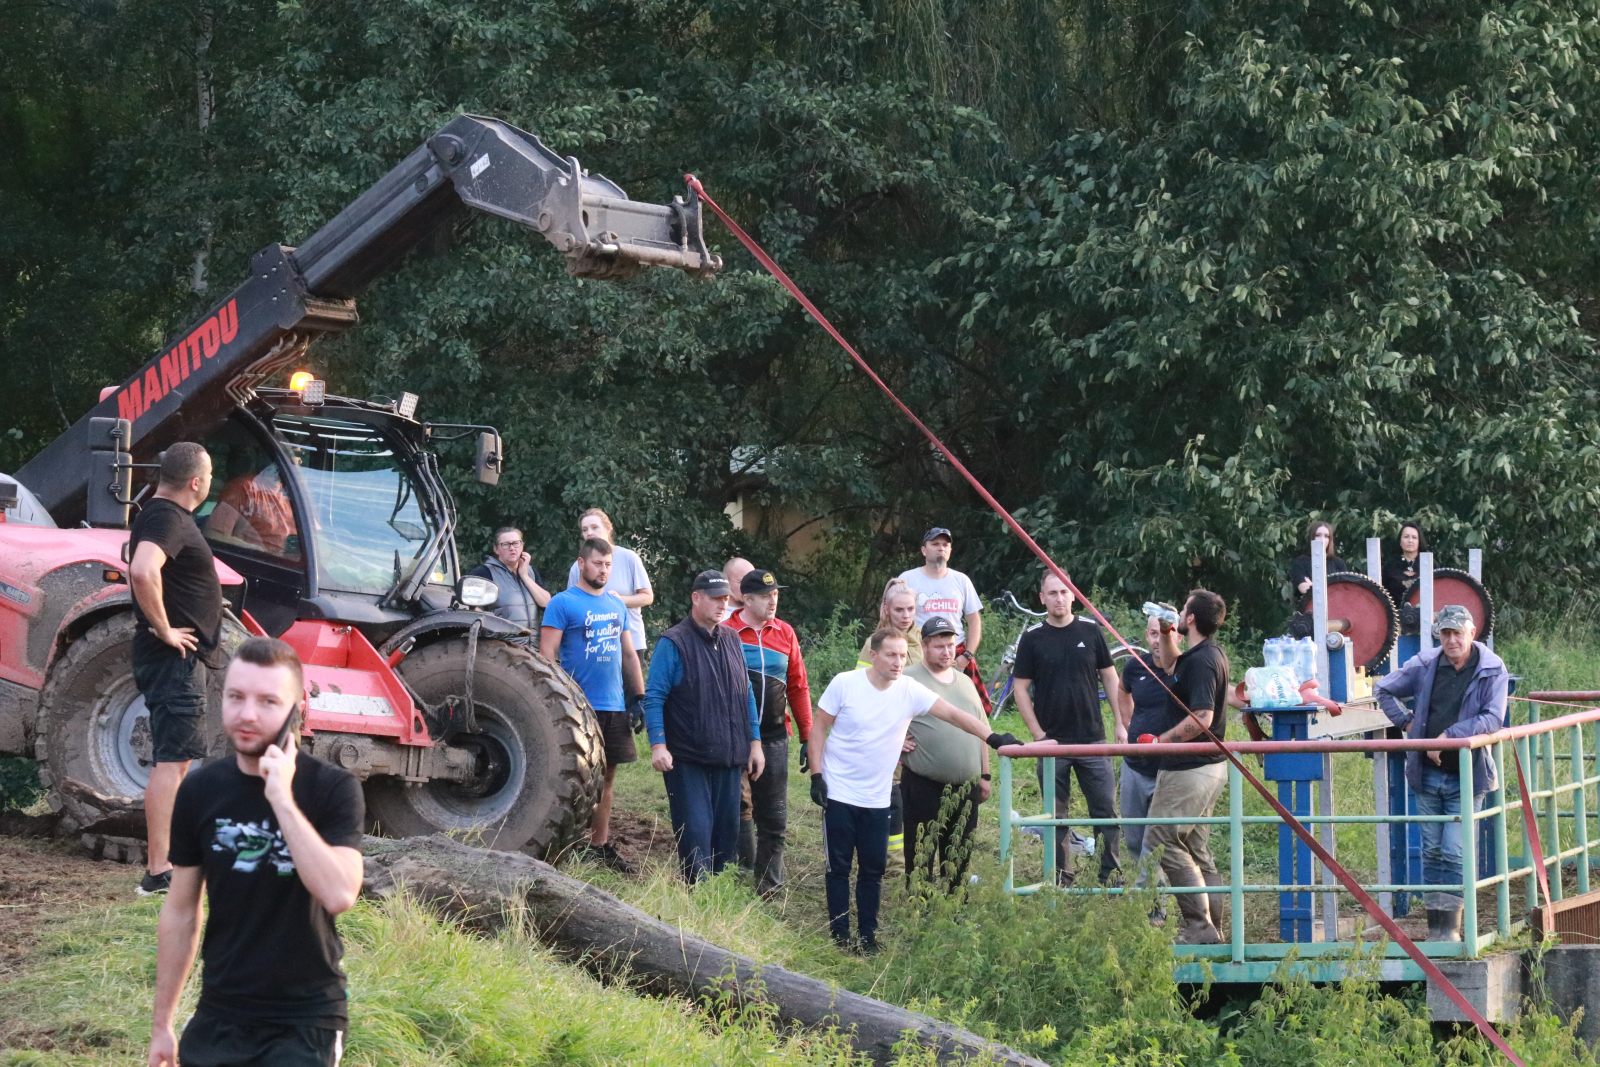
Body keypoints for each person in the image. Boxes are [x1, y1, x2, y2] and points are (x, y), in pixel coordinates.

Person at [148, 637, 364, 1067]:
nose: (247, 714)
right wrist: (162, 1025)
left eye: (268, 701)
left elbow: (340, 893)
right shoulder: (201, 790)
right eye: (236, 697)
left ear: (297, 709)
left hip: (305, 1020)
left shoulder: (332, 789)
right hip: (219, 1013)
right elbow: (182, 911)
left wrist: (281, 799)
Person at [809, 629, 1018, 952]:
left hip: (877, 797)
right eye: (891, 655)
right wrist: (817, 774)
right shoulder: (845, 683)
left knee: (873, 868)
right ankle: (839, 935)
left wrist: (993, 738)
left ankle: (867, 936)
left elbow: (953, 714)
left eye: (903, 656)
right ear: (874, 655)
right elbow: (819, 726)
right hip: (839, 790)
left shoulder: (908, 690)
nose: (898, 662)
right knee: (838, 866)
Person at [1375, 604, 1507, 941]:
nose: (1451, 641)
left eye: (1456, 633)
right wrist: (1407, 723)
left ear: (1471, 633)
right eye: (1445, 634)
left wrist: (1448, 737)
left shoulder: (1492, 669)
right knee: (1432, 850)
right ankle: (1437, 929)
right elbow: (1384, 689)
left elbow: (1493, 717)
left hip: (1467, 773)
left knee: (1455, 850)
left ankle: (1452, 929)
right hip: (1427, 775)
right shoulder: (1425, 664)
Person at [129, 441, 224, 897]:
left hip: (181, 659)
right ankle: (158, 871)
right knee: (172, 759)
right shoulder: (167, 516)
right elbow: (143, 570)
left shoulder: (162, 514)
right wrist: (165, 629)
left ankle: (167, 861)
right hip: (172, 658)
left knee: (179, 758)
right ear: (196, 481)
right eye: (209, 476)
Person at [644, 570, 765, 883]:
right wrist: (658, 744)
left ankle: (720, 910)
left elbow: (746, 692)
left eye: (725, 598)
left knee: (727, 839)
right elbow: (654, 696)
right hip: (688, 759)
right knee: (696, 837)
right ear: (696, 598)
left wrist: (755, 742)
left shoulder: (732, 639)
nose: (722, 604)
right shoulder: (674, 642)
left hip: (729, 757)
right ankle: (696, 908)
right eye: (715, 598)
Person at [1011, 572, 1123, 884]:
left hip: (1093, 739)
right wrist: (1037, 735)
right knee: (1056, 816)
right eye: (1052, 593)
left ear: (1073, 595)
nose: (1059, 598)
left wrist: (1120, 724)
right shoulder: (1033, 637)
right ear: (1042, 598)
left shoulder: (1090, 630)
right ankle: (1062, 876)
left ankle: (1110, 874)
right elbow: (1020, 688)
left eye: (1064, 592)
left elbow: (1110, 677)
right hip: (1052, 743)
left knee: (1105, 811)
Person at [542, 538, 645, 873]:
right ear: (581, 564)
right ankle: (562, 844)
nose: (603, 570)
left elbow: (629, 654)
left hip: (613, 704)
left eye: (607, 564)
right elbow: (547, 657)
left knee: (607, 778)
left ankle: (599, 845)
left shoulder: (616, 606)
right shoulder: (562, 603)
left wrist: (640, 697)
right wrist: (557, 703)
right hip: (576, 707)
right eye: (598, 563)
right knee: (571, 777)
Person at [1137, 589, 1232, 945]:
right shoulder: (1199, 656)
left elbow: (1203, 718)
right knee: (1195, 849)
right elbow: (1168, 664)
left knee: (1162, 839)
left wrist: (1161, 742)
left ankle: (1200, 926)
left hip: (1189, 769)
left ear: (1190, 618)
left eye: (1182, 610)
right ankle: (1214, 929)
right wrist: (1164, 632)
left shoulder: (1205, 661)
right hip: (1204, 768)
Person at [723, 568, 814, 896]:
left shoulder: (785, 633)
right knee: (738, 808)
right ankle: (739, 877)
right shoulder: (726, 631)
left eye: (775, 594)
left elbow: (798, 686)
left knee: (774, 815)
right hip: (736, 737)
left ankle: (769, 889)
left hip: (775, 733)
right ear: (746, 599)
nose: (772, 600)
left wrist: (808, 736)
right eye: (764, 596)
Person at [902, 616, 990, 891]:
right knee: (920, 852)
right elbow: (881, 717)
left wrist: (985, 774)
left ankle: (955, 910)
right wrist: (897, 740)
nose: (947, 651)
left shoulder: (964, 681)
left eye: (951, 645)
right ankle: (920, 910)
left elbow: (983, 730)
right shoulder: (907, 679)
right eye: (939, 646)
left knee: (959, 852)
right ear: (925, 646)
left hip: (965, 785)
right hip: (924, 782)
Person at [898, 526, 989, 712]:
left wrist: (967, 655)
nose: (941, 548)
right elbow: (893, 615)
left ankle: (976, 739)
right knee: (917, 707)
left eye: (945, 544)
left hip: (956, 651)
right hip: (919, 650)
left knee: (972, 707)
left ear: (950, 551)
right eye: (935, 544)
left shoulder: (961, 580)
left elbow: (974, 621)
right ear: (924, 550)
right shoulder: (907, 579)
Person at [1118, 607, 1177, 888]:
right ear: (1147, 635)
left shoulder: (1185, 668)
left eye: (1164, 633)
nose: (1157, 640)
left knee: (1156, 841)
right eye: (1153, 634)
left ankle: (1153, 903)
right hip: (1135, 764)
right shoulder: (1134, 667)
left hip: (1170, 769)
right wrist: (1127, 725)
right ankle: (1149, 895)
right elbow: (1122, 690)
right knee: (1133, 837)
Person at [567, 507, 654, 654]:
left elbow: (648, 597)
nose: (589, 533)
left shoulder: (629, 558)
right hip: (593, 644)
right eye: (585, 529)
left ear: (608, 529)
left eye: (594, 527)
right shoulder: (578, 566)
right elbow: (570, 603)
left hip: (631, 643)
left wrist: (619, 600)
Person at [721, 554, 758, 870]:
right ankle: (741, 865)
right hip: (728, 720)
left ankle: (757, 863)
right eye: (742, 579)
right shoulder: (720, 619)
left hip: (763, 720)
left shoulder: (758, 613)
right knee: (738, 795)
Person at [468, 526, 551, 633]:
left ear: (522, 546)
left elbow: (547, 604)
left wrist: (525, 576)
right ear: (496, 549)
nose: (512, 548)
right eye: (506, 544)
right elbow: (471, 611)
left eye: (516, 543)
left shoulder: (531, 572)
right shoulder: (484, 573)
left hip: (532, 647)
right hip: (501, 646)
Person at [1382, 522, 1427, 632]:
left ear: (1419, 541)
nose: (1410, 540)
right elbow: (1383, 593)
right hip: (1396, 623)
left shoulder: (1428, 563)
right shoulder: (1390, 565)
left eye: (1414, 537)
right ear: (1400, 541)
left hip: (1425, 620)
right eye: (1406, 537)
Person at [1288, 518, 1348, 599]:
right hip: (1309, 609)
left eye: (1326, 536)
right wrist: (1332, 590)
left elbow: (1345, 591)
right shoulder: (1300, 562)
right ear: (1312, 537)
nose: (1322, 539)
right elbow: (1304, 588)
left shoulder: (1338, 563)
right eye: (1318, 535)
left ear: (1330, 540)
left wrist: (1313, 586)